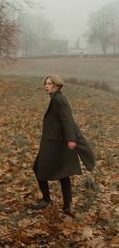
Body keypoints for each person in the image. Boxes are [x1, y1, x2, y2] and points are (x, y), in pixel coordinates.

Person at [33, 75, 95, 216]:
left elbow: (67, 119)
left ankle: (52, 202)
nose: (46, 86)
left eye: (49, 84)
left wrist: (71, 139)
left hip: (56, 143)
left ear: (57, 85)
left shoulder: (59, 99)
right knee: (60, 173)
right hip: (54, 142)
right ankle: (58, 203)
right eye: (45, 84)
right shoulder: (55, 98)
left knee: (44, 169)